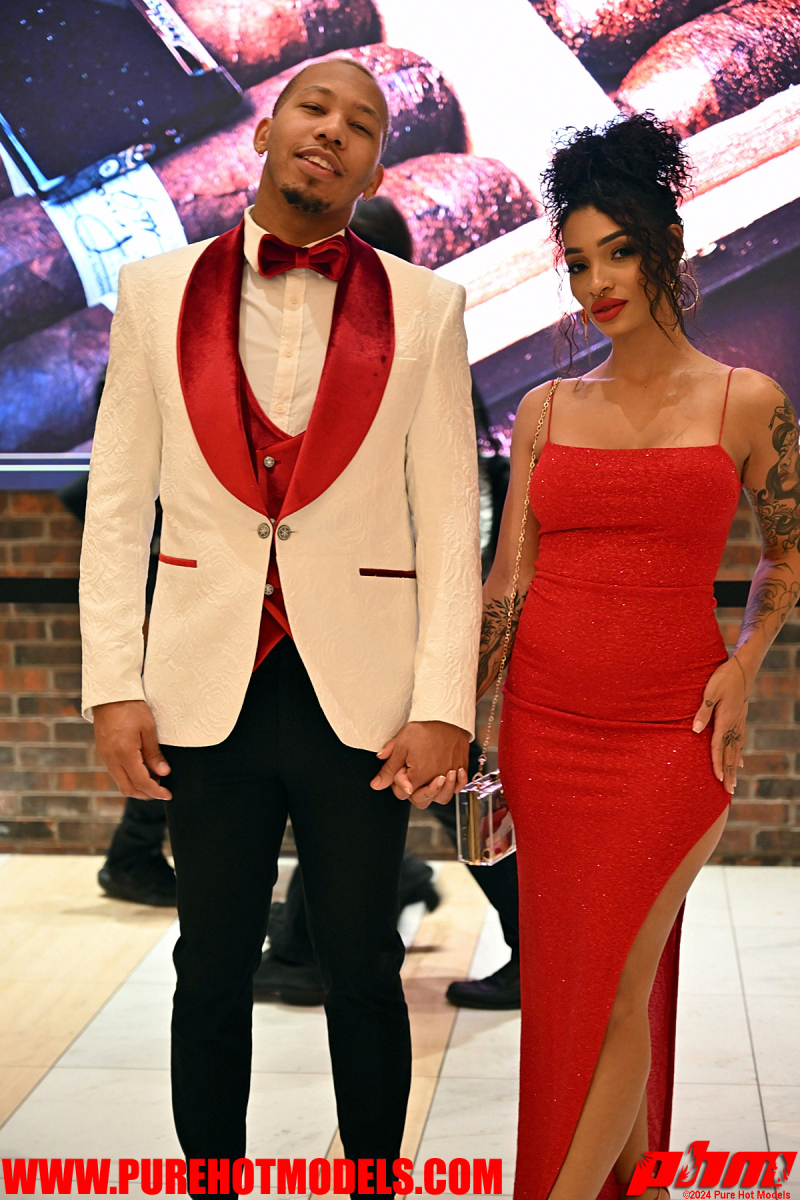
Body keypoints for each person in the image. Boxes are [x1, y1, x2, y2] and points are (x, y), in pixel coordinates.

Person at [80, 57, 481, 1189]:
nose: (332, 131)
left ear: (376, 167)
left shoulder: (428, 308)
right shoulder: (152, 292)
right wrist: (113, 685)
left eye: (361, 124)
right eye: (314, 108)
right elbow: (116, 509)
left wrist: (444, 706)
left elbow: (450, 521)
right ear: (265, 129)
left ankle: (373, 1182)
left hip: (361, 695)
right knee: (208, 968)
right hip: (203, 683)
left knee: (362, 968)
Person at [479, 113, 800, 1200]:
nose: (596, 283)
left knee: (618, 981)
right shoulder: (543, 410)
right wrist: (475, 724)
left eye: (616, 252)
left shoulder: (745, 401)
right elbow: (507, 581)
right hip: (543, 730)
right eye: (577, 262)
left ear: (666, 242)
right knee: (573, 988)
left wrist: (746, 663)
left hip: (673, 735)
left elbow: (788, 552)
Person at [256, 198, 520, 1011]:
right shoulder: (349, 347)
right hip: (357, 619)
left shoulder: (414, 341)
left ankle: (537, 945)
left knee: (433, 784)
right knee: (370, 783)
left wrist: (446, 639)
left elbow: (459, 508)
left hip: (404, 624)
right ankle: (307, 946)